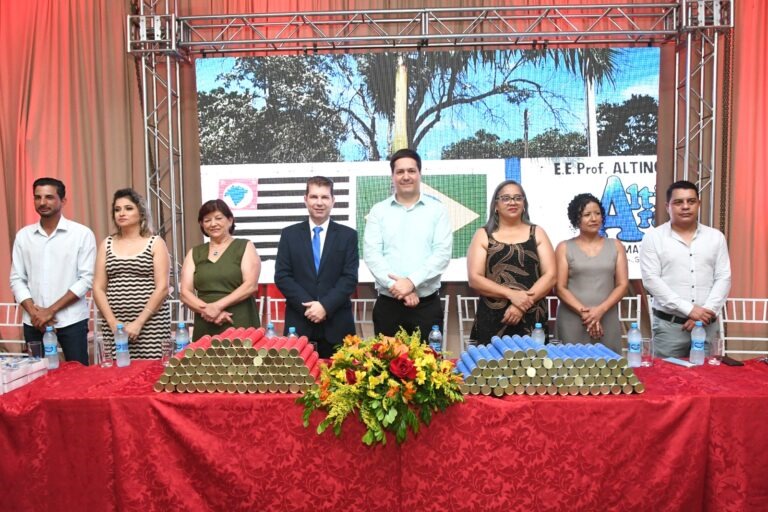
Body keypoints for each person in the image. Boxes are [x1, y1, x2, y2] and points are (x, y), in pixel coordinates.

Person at [363, 148, 452, 339]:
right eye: (400, 171)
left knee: (429, 367)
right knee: (384, 367)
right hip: (388, 306)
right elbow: (372, 255)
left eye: (411, 171)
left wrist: (411, 282)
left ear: (420, 174)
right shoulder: (378, 211)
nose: (406, 176)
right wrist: (397, 288)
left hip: (426, 306)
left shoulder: (438, 210)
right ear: (392, 176)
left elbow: (442, 254)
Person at [9, 177, 96, 365]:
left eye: (49, 197)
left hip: (71, 320)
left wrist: (50, 311)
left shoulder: (81, 234)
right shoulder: (24, 236)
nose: (42, 202)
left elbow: (86, 279)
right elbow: (17, 279)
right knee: (35, 378)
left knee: (77, 378)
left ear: (63, 201)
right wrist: (35, 313)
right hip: (33, 322)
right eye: (37, 197)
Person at [640, 180, 731, 358]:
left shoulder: (716, 237)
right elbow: (651, 280)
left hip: (707, 325)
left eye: (691, 201)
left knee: (710, 381)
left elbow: (723, 277)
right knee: (668, 381)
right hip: (670, 327)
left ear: (699, 204)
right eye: (678, 202)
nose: (685, 207)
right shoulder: (653, 238)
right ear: (668, 206)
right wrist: (689, 310)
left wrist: (706, 312)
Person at [274, 176, 358, 357]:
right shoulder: (289, 234)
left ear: (333, 200)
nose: (319, 203)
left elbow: (349, 278)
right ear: (305, 199)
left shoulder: (348, 236)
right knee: (297, 384)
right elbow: (282, 276)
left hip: (337, 324)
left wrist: (325, 306)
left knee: (341, 383)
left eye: (325, 197)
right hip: (299, 323)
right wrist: (310, 307)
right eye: (314, 197)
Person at [467, 180, 556, 343]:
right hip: (494, 319)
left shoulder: (537, 232)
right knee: (492, 366)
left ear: (524, 204)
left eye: (517, 198)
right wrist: (512, 295)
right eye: (506, 198)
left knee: (534, 367)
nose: (512, 202)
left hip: (532, 318)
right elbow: (475, 279)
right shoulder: (483, 234)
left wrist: (520, 305)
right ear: (496, 205)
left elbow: (550, 276)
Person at [92, 188, 171, 359]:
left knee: (150, 375)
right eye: (117, 209)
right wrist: (113, 324)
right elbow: (98, 288)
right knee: (117, 375)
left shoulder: (155, 243)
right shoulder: (107, 243)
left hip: (151, 323)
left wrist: (139, 322)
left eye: (128, 208)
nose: (122, 213)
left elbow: (163, 288)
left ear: (141, 213)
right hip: (114, 325)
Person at [554, 193, 629, 352]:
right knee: (572, 369)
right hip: (573, 320)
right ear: (576, 219)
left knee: (610, 370)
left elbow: (622, 285)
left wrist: (599, 311)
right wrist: (587, 314)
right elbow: (560, 288)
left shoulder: (616, 246)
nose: (593, 218)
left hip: (607, 317)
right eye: (587, 214)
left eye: (597, 213)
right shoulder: (564, 247)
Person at [180, 199, 261, 341]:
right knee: (203, 361)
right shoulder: (194, 252)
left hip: (238, 319)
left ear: (230, 221)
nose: (213, 224)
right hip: (205, 322)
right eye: (207, 220)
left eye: (218, 218)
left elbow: (250, 286)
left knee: (242, 361)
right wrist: (208, 311)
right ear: (201, 224)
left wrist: (217, 307)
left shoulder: (244, 246)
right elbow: (185, 293)